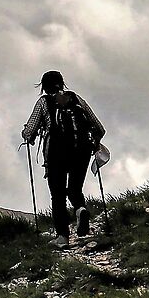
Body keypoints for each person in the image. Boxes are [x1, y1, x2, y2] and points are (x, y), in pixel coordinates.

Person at [21, 70, 106, 245]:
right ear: (62, 83)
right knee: (75, 189)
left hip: (55, 154)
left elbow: (29, 131)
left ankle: (62, 237)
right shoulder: (76, 99)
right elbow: (99, 127)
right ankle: (81, 209)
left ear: (43, 87)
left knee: (57, 195)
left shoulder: (43, 102)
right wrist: (94, 141)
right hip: (81, 151)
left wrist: (27, 134)